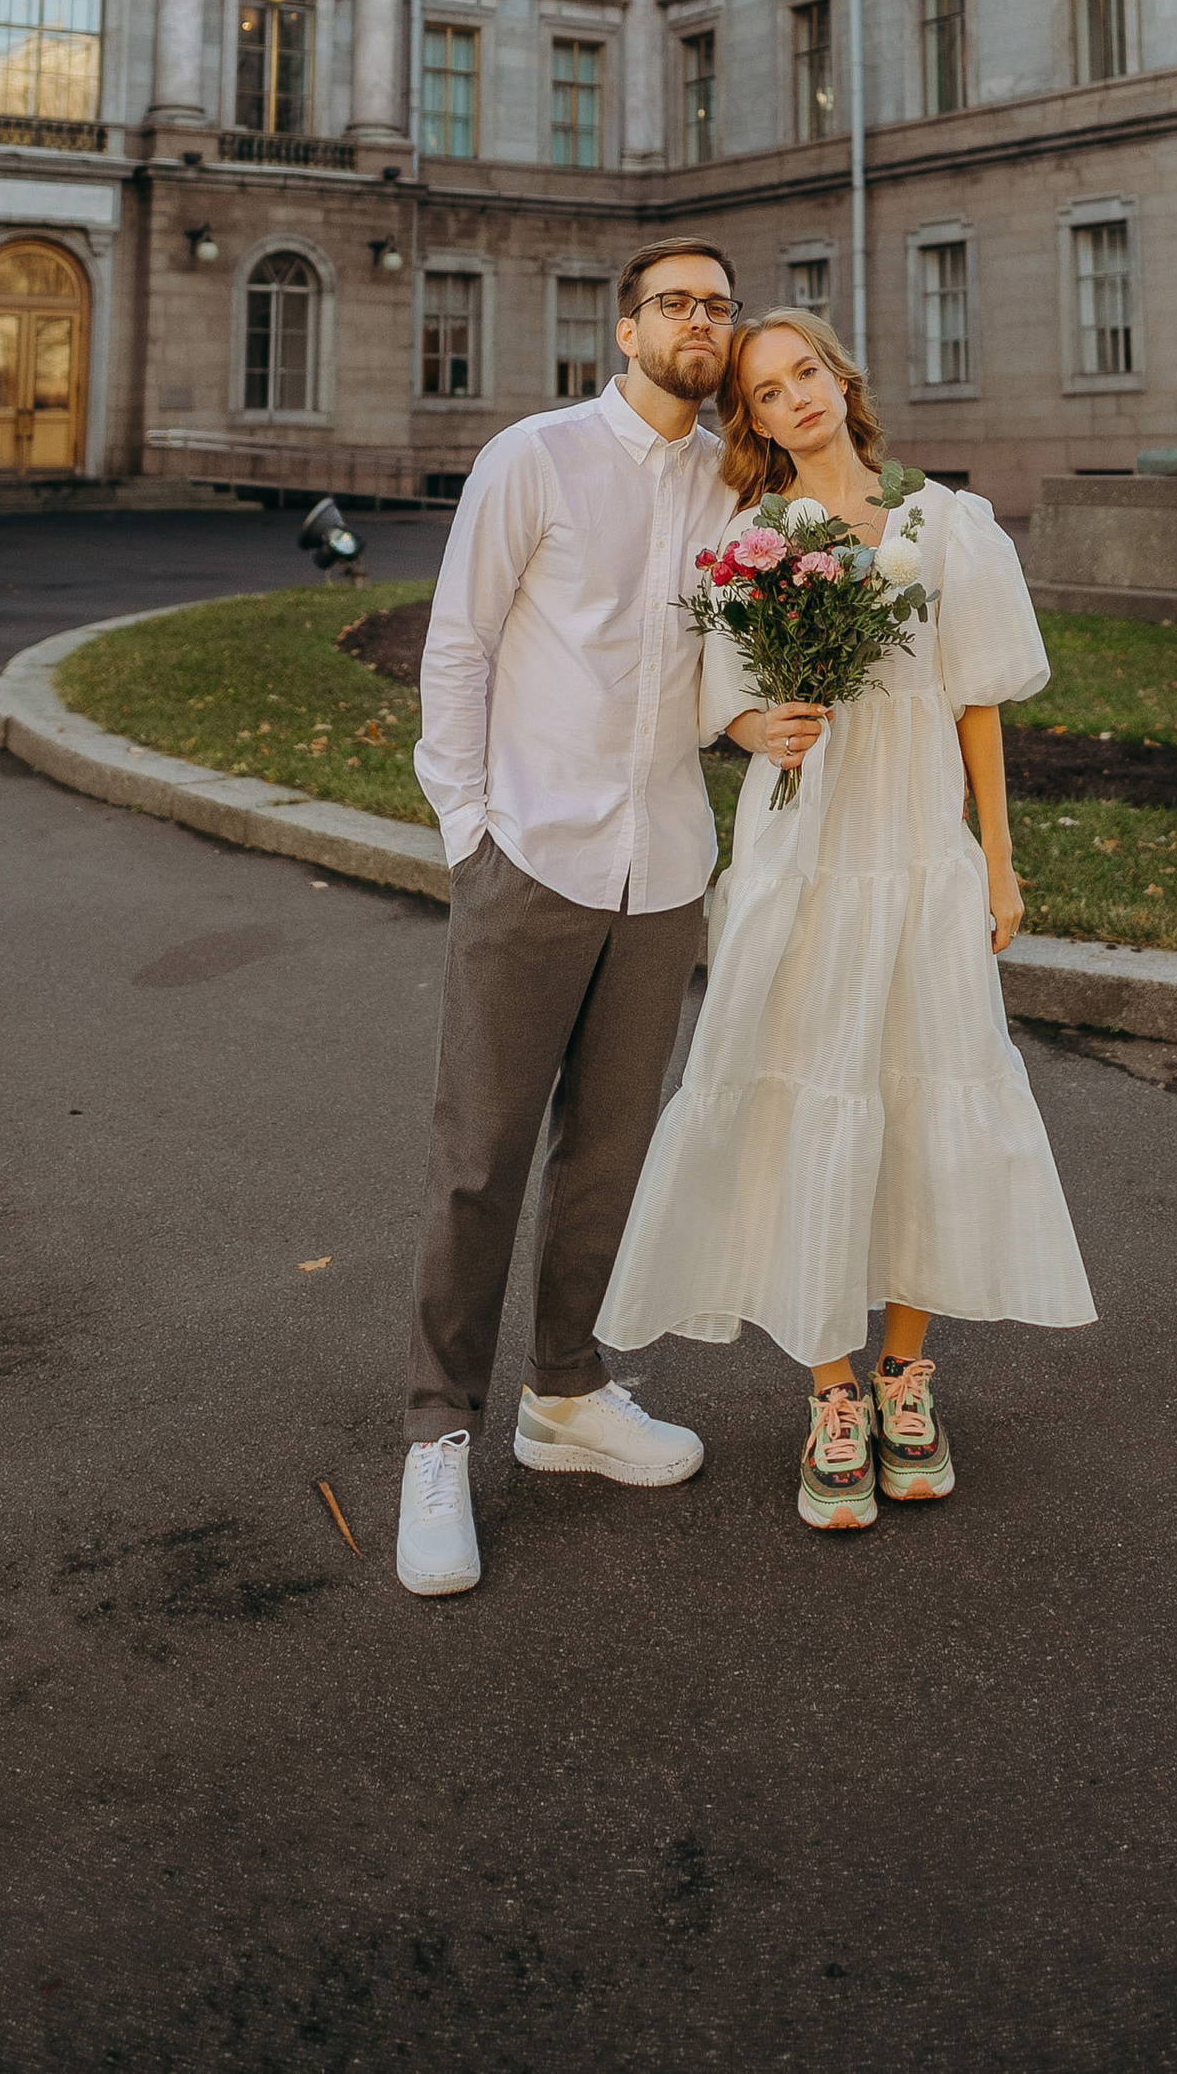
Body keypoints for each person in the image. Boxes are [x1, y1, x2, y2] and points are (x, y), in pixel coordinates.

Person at [598, 309, 1094, 1532]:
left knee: (927, 1088)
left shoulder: (946, 521)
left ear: (839, 377)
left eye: (804, 372)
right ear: (755, 423)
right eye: (767, 392)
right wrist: (757, 724)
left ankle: (903, 1377)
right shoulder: (753, 540)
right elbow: (721, 702)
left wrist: (997, 864)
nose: (795, 398)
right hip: (803, 853)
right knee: (806, 1092)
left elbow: (976, 702)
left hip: (917, 849)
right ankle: (829, 1391)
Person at [395, 240, 744, 1599]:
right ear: (627, 328)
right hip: (532, 855)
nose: (700, 321)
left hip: (664, 867)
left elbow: (721, 659)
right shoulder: (534, 457)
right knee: (481, 1156)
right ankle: (437, 1433)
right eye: (676, 302)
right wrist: (468, 830)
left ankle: (568, 1394)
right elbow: (459, 643)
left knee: (610, 1154)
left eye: (718, 305)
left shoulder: (734, 482)